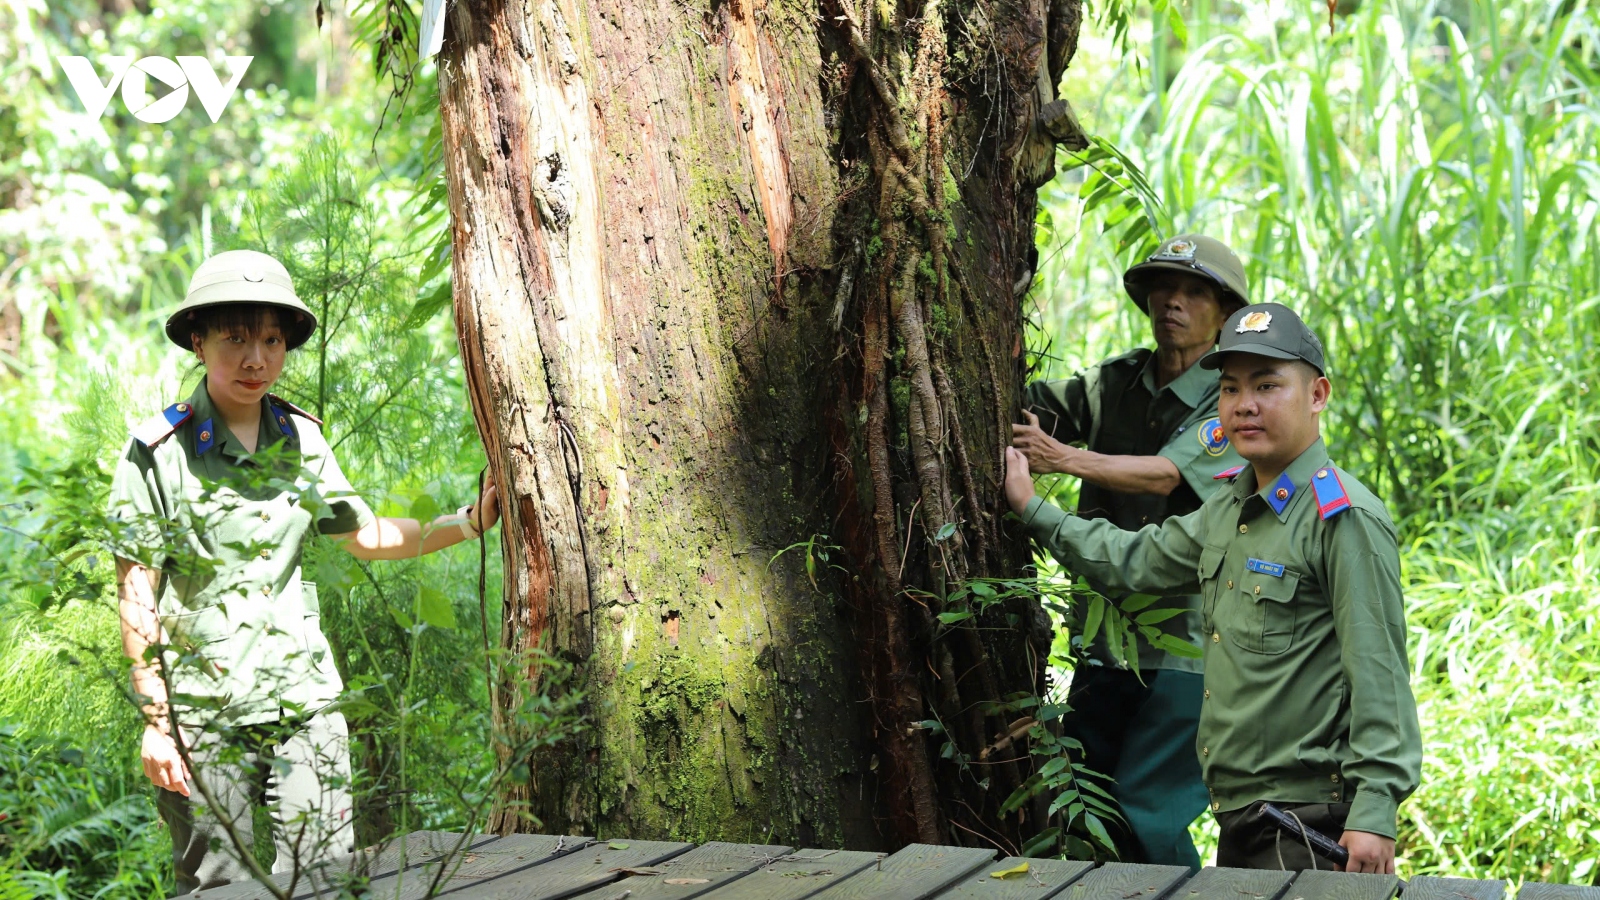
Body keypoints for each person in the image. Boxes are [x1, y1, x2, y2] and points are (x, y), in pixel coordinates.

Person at [110, 250, 501, 893]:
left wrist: (470, 521)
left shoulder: (302, 440)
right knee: (219, 888)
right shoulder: (158, 453)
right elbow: (136, 593)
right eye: (235, 338)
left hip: (303, 702)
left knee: (322, 880)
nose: (255, 359)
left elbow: (367, 536)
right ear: (198, 341)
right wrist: (158, 724)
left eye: (271, 339)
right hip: (203, 714)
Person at [1005, 302, 1421, 873]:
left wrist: (1374, 811)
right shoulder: (1228, 508)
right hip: (1245, 815)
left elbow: (1379, 672)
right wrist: (1033, 510)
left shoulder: (1342, 518)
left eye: (1268, 385)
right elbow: (1136, 560)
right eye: (1230, 388)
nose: (1244, 405)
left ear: (1317, 395)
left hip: (1312, 820)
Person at [1011, 234, 1247, 867]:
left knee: (1149, 812)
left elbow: (1167, 475)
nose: (1173, 301)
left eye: (1195, 291)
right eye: (1162, 288)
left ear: (1224, 313)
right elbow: (1029, 407)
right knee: (1091, 812)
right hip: (1104, 638)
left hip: (1187, 652)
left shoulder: (1226, 397)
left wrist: (1060, 460)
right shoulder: (1118, 381)